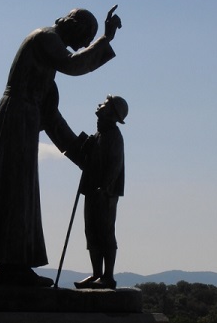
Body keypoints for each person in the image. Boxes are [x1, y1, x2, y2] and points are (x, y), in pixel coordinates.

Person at [0, 7, 122, 287]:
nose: (85, 44)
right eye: (86, 36)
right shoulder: (45, 38)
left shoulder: (46, 70)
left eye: (90, 40)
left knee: (22, 193)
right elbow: (74, 65)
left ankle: (15, 265)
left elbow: (52, 118)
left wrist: (83, 156)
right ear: (73, 25)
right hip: (15, 118)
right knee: (15, 191)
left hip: (24, 121)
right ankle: (13, 267)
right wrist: (106, 39)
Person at [74, 95, 127, 290]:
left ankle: (108, 276)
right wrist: (85, 146)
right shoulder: (97, 136)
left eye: (103, 108)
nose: (98, 111)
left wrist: (104, 187)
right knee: (91, 232)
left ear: (112, 114)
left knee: (105, 232)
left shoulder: (114, 136)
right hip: (91, 191)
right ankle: (97, 273)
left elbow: (115, 165)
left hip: (105, 193)